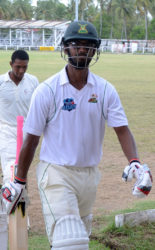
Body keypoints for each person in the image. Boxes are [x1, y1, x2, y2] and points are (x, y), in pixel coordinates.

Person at [2, 22, 152, 250]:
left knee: (77, 237)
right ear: (65, 48)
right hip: (56, 173)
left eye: (88, 45)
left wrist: (135, 164)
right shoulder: (48, 90)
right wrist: (19, 182)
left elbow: (122, 129)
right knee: (70, 239)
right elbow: (31, 140)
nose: (82, 49)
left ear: (94, 51)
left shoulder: (104, 90)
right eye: (76, 44)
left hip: (89, 176)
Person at [0, 49, 39, 249]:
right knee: (11, 173)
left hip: (26, 134)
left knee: (22, 175)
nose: (21, 70)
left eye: (24, 67)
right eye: (18, 67)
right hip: (6, 132)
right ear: (10, 64)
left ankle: (22, 216)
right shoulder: (1, 82)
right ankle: (11, 214)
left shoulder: (33, 81)